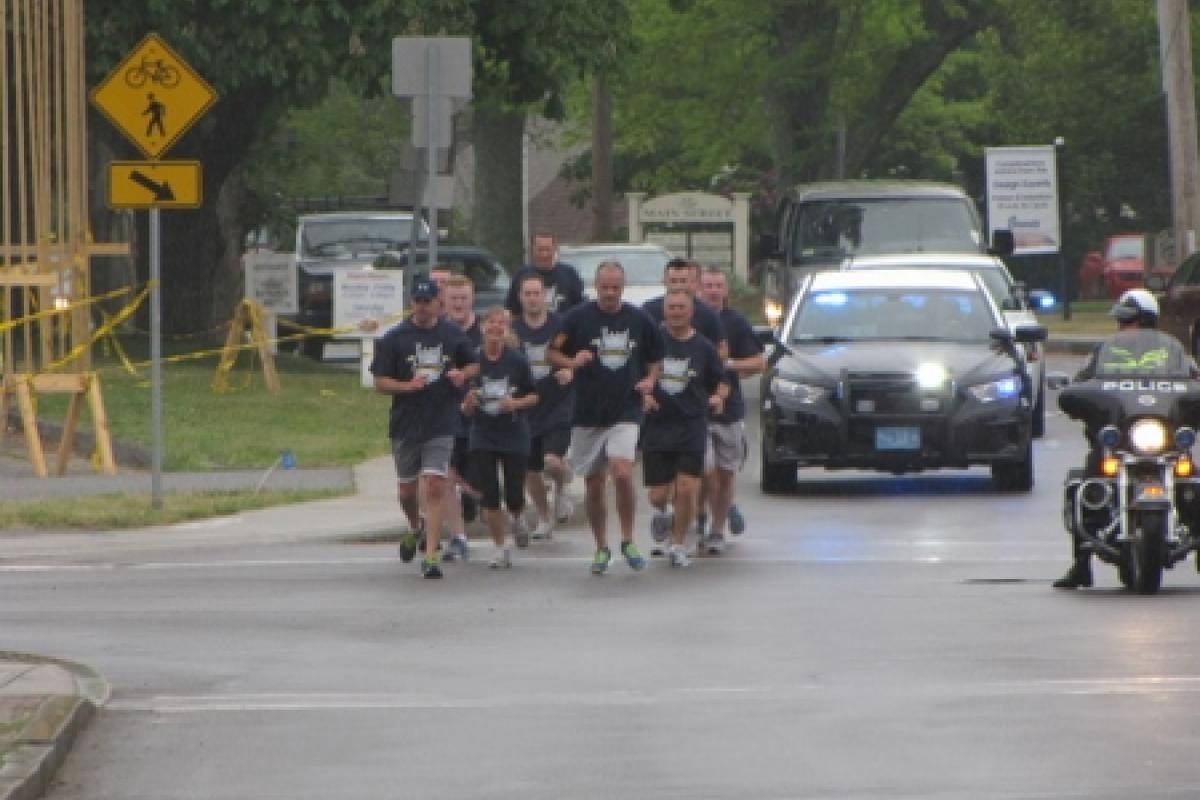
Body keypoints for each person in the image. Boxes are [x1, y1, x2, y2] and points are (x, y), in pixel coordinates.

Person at [1053, 288, 1200, 589]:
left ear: (1147, 321)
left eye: (1129, 320)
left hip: (1164, 442)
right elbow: (1083, 383)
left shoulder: (1174, 354)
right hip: (1119, 443)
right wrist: (1079, 395)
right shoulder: (1105, 353)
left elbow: (1193, 382)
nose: (1124, 327)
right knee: (1084, 486)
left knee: (1194, 486)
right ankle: (1081, 564)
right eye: (1122, 321)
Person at [549, 261, 664, 575]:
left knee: (623, 472)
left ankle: (627, 539)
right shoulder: (577, 318)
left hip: (625, 408)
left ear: (622, 287)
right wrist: (573, 361)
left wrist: (650, 381)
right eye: (605, 287)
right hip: (587, 412)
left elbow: (656, 360)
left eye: (616, 287)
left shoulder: (640, 319)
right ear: (596, 286)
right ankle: (601, 547)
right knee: (595, 483)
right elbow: (552, 353)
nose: (610, 293)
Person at [370, 275, 477, 579]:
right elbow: (380, 381)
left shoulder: (452, 334)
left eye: (428, 301)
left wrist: (460, 374)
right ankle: (415, 527)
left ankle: (431, 555)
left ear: (437, 303)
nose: (423, 307)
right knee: (407, 490)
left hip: (441, 419)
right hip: (406, 423)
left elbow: (472, 364)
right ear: (411, 303)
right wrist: (407, 386)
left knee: (434, 485)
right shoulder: (395, 339)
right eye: (418, 302)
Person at [641, 258, 728, 551]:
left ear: (691, 312)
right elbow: (638, 375)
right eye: (671, 308)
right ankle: (663, 515)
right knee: (657, 495)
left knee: (687, 488)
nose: (676, 313)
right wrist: (645, 393)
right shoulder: (653, 342)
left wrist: (718, 397)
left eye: (682, 309)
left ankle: (679, 544)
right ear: (664, 312)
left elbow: (722, 380)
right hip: (658, 424)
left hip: (691, 423)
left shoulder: (703, 346)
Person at [461, 306, 540, 568]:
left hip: (513, 433)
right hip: (483, 434)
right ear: (483, 327)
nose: (495, 328)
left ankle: (517, 517)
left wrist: (515, 404)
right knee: (490, 493)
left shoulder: (516, 360)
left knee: (514, 493)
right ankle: (499, 547)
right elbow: (462, 403)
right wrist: (468, 404)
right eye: (491, 323)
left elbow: (534, 395)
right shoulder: (473, 361)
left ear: (506, 329)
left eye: (501, 324)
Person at [698, 266, 766, 554]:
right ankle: (702, 514)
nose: (713, 291)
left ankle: (717, 529)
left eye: (718, 286)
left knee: (725, 473)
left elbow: (759, 363)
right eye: (708, 286)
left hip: (729, 410)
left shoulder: (736, 323)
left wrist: (728, 366)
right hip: (696, 409)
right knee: (704, 469)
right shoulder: (691, 319)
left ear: (726, 291)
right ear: (699, 289)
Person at [512, 273, 576, 539]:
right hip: (527, 405)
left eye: (537, 293)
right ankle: (543, 516)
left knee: (552, 461)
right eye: (527, 294)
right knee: (531, 469)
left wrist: (569, 373)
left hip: (558, 402)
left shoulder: (561, 326)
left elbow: (575, 358)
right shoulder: (513, 330)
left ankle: (563, 487)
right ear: (520, 298)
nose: (533, 298)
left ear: (546, 296)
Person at [440, 274, 484, 561]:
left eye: (463, 298)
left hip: (484, 418)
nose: (458, 304)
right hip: (447, 414)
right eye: (453, 298)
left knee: (480, 484)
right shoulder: (437, 333)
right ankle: (458, 537)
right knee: (446, 474)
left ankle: (475, 496)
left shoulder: (486, 332)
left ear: (472, 300)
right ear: (444, 301)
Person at [505, 232, 585, 316]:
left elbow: (580, 309)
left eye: (548, 249)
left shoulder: (569, 274)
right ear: (532, 250)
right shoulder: (521, 275)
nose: (544, 254)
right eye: (540, 249)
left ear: (555, 250)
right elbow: (511, 311)